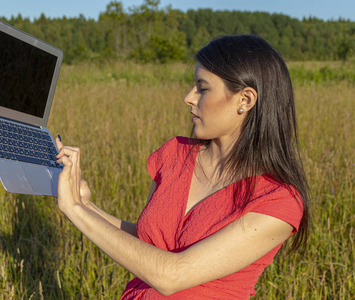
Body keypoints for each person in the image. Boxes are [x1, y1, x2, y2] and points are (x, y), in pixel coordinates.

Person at [55, 35, 311, 299]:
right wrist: (86, 205)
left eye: (203, 88)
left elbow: (171, 275)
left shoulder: (277, 201)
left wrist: (75, 210)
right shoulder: (175, 155)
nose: (188, 97)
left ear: (245, 100)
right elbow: (147, 244)